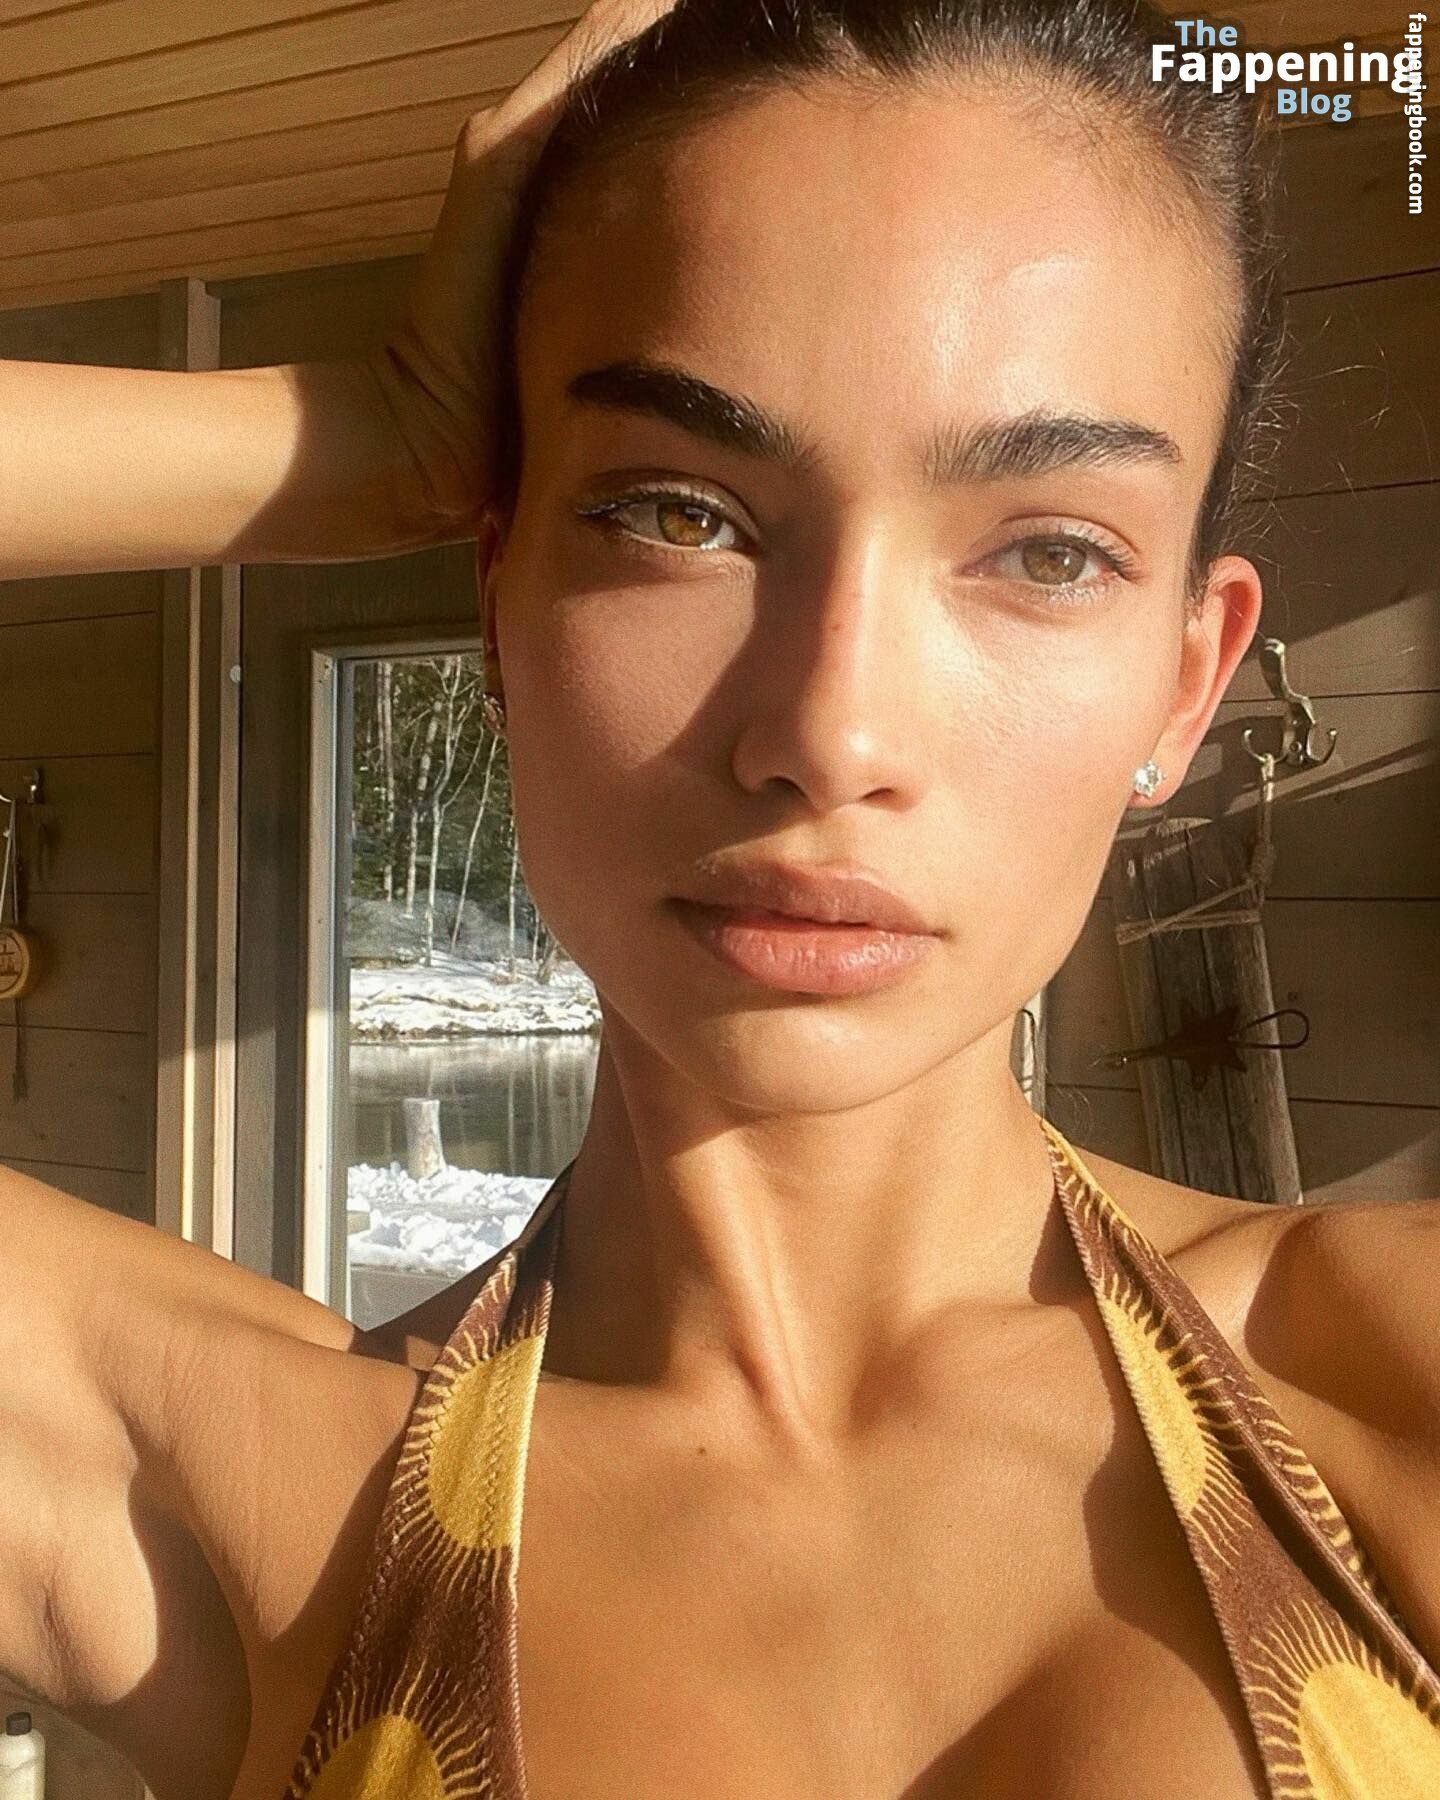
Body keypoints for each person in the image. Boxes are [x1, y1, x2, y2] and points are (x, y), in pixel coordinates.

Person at [1, 0, 1438, 1796]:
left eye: (1051, 551)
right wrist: (380, 433)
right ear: (501, 604)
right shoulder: (247, 1480)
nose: (830, 735)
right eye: (680, 514)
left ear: (1185, 681)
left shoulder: (1392, 1375)